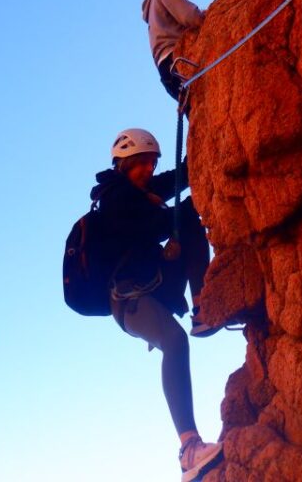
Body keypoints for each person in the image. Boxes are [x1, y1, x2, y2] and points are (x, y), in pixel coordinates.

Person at [91, 128, 222, 482]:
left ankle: (203, 307)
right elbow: (147, 226)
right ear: (124, 165)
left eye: (151, 162)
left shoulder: (141, 191)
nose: (149, 169)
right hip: (128, 297)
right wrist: (172, 212)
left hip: (153, 283)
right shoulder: (116, 198)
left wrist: (198, 126)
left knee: (189, 219)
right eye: (141, 163)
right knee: (174, 342)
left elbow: (181, 176)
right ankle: (189, 448)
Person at [142, 0, 205, 103]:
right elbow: (191, 17)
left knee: (197, 108)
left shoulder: (154, 6)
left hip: (166, 71)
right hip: (177, 61)